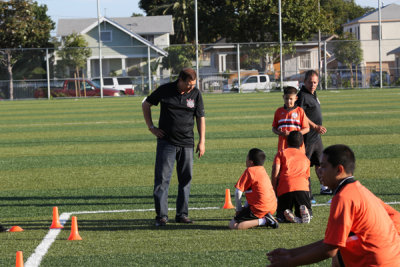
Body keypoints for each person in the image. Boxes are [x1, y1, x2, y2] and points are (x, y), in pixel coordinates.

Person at [267, 144, 400, 267]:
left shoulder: (344, 197)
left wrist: (288, 262)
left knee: (338, 254)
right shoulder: (359, 190)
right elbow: (331, 242)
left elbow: (329, 249)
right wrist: (290, 253)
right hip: (391, 259)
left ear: (339, 170)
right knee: (341, 252)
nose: (319, 171)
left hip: (377, 262)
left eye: (324, 166)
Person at [142, 68, 205, 227]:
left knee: (185, 179)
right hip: (167, 142)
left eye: (193, 84)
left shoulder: (196, 94)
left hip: (187, 143)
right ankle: (162, 216)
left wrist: (202, 141)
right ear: (180, 80)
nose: (191, 87)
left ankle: (182, 214)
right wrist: (151, 127)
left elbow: (200, 117)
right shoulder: (165, 90)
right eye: (188, 84)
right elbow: (146, 104)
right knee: (162, 180)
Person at [296, 70, 331, 196]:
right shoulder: (302, 96)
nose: (313, 84)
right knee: (305, 165)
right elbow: (300, 114)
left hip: (316, 137)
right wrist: (315, 126)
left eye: (315, 82)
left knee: (320, 163)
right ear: (304, 82)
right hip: (307, 137)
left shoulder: (313, 93)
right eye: (310, 82)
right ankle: (306, 191)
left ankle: (324, 187)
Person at [229, 148, 278, 230]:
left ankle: (265, 221)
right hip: (272, 207)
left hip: (260, 208)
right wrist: (245, 208)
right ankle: (266, 218)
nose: (246, 160)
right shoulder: (262, 170)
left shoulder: (250, 171)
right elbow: (254, 193)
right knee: (246, 216)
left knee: (233, 225)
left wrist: (238, 210)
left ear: (251, 162)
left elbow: (238, 192)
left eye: (247, 158)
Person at [271, 131, 312, 224]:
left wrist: (274, 188)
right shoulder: (305, 157)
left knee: (281, 215)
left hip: (286, 187)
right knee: (303, 210)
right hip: (302, 188)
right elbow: (307, 178)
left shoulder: (281, 153)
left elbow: (275, 172)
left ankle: (287, 216)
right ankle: (303, 214)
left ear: (286, 141)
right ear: (302, 143)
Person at [272, 86, 309, 153]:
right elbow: (274, 128)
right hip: (283, 147)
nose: (288, 101)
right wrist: (280, 132)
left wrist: (293, 134)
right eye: (286, 99)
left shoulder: (300, 111)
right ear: (283, 97)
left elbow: (307, 128)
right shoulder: (278, 111)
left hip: (298, 147)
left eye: (291, 99)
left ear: (296, 98)